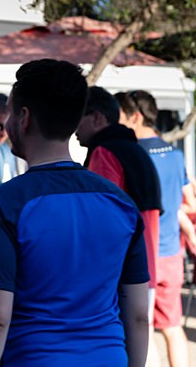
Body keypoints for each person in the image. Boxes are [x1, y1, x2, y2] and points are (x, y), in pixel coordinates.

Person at [0, 59, 149, 366]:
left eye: (10, 112)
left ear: (23, 118)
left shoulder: (3, 204)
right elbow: (139, 316)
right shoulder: (121, 203)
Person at [76, 85, 163, 366]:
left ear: (98, 118)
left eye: (80, 116)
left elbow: (101, 219)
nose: (74, 126)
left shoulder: (104, 152)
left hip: (119, 274)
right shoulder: (138, 152)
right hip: (146, 267)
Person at [117, 89, 190, 367]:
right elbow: (185, 201)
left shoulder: (134, 157)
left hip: (143, 257)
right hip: (172, 253)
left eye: (120, 116)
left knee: (141, 328)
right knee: (172, 327)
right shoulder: (175, 154)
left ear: (135, 116)